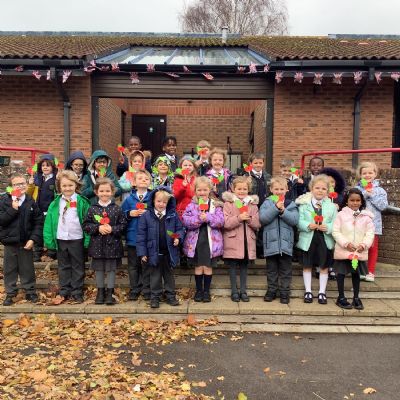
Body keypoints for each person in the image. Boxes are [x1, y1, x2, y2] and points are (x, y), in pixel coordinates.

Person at [43, 170, 91, 303]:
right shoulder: (55, 203)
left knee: (78, 266)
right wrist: (49, 241)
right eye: (64, 186)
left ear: (76, 185)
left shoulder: (82, 202)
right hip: (61, 238)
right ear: (59, 187)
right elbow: (48, 223)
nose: (67, 188)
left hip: (77, 238)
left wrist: (87, 240)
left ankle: (77, 291)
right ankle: (64, 290)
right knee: (63, 266)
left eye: (70, 185)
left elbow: (88, 222)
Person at [136, 187, 184, 308]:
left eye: (164, 202)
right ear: (153, 201)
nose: (161, 204)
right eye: (159, 201)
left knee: (169, 275)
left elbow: (179, 229)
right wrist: (142, 253)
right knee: (155, 276)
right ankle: (155, 297)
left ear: (168, 203)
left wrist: (178, 238)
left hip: (169, 251)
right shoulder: (146, 216)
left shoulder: (172, 215)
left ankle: (170, 295)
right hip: (153, 252)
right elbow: (141, 236)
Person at [0, 173, 43, 306]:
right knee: (10, 269)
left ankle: (30, 291)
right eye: (16, 184)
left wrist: (33, 239)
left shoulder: (31, 201)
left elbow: (38, 222)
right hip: (10, 242)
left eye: (23, 183)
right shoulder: (5, 201)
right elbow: (2, 221)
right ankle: (10, 292)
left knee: (27, 268)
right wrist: (13, 209)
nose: (20, 186)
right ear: (11, 187)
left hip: (26, 241)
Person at [83, 178, 127, 305]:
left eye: (107, 191)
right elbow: (86, 225)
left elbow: (123, 225)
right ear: (96, 192)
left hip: (113, 244)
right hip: (97, 245)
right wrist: (98, 228)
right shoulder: (92, 209)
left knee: (111, 269)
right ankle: (100, 292)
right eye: (101, 191)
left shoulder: (117, 209)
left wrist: (112, 229)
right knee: (99, 269)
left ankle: (109, 293)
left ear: (112, 192)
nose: (104, 193)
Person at [296, 174, 337, 304]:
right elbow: (298, 221)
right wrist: (307, 225)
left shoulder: (331, 206)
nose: (320, 191)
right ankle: (308, 291)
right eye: (317, 188)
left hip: (324, 239)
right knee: (307, 265)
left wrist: (328, 227)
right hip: (309, 238)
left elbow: (336, 223)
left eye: (324, 189)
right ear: (311, 189)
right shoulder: (304, 205)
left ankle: (322, 292)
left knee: (324, 266)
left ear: (328, 191)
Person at [182, 176, 224, 302]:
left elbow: (221, 221)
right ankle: (199, 290)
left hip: (210, 241)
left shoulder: (215, 205)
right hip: (196, 241)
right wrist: (199, 218)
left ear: (209, 190)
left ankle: (206, 291)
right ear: (195, 191)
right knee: (199, 266)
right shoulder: (191, 205)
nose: (202, 192)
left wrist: (209, 217)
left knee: (208, 266)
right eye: (199, 190)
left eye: (205, 190)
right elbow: (186, 220)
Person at [332, 188, 375, 310]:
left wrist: (364, 245)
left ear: (361, 202)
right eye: (352, 200)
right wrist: (345, 243)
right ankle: (341, 297)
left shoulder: (366, 217)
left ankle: (356, 297)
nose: (355, 203)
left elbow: (370, 233)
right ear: (347, 201)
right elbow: (335, 231)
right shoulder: (340, 215)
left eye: (358, 200)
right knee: (341, 273)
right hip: (344, 250)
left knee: (356, 273)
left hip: (358, 251)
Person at [259, 177, 299, 304]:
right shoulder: (267, 203)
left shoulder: (290, 204)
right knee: (271, 270)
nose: (279, 191)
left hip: (286, 243)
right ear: (271, 190)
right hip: (270, 243)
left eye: (282, 189)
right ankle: (271, 290)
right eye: (276, 189)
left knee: (286, 270)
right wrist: (275, 208)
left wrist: (283, 211)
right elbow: (263, 219)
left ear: (287, 190)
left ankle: (284, 292)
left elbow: (294, 220)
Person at [222, 176, 260, 302]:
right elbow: (225, 223)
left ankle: (243, 291)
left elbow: (257, 224)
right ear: (233, 189)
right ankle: (234, 291)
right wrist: (238, 218)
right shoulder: (228, 204)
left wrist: (249, 219)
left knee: (244, 267)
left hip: (247, 241)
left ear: (248, 190)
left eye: (244, 189)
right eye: (239, 189)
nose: (242, 191)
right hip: (233, 240)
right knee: (232, 267)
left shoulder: (252, 205)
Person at [121, 169, 152, 301]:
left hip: (148, 237)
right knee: (133, 265)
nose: (143, 180)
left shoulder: (153, 198)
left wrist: (149, 213)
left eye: (146, 179)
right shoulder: (129, 199)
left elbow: (159, 212)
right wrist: (129, 213)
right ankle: (135, 288)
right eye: (140, 178)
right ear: (134, 182)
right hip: (133, 237)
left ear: (150, 182)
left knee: (146, 264)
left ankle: (146, 289)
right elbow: (121, 215)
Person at [355, 161, 388, 282]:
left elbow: (383, 206)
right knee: (359, 246)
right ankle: (359, 271)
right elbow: (353, 203)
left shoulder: (380, 190)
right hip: (359, 223)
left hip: (374, 224)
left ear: (375, 174)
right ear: (360, 175)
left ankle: (370, 272)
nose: (367, 175)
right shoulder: (357, 189)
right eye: (364, 173)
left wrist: (372, 195)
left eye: (370, 173)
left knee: (372, 247)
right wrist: (364, 194)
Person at [27, 153, 58, 262]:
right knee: (38, 231)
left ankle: (51, 252)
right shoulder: (37, 178)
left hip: (50, 211)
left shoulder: (56, 179)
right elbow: (29, 194)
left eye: (48, 165)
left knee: (50, 232)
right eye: (43, 165)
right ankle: (37, 252)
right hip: (38, 210)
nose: (45, 167)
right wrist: (30, 185)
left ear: (53, 167)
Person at [320, 167, 347, 280]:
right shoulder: (320, 196)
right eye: (327, 182)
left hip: (336, 226)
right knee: (322, 247)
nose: (330, 184)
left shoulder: (340, 197)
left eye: (332, 182)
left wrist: (338, 207)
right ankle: (320, 266)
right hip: (323, 225)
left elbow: (345, 209)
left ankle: (332, 267)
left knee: (333, 247)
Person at [244, 152, 271, 258]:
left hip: (264, 206)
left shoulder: (268, 176)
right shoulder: (246, 176)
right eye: (255, 163)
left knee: (263, 228)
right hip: (252, 206)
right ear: (251, 164)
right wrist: (247, 182)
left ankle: (261, 250)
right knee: (253, 227)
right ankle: (252, 250)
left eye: (260, 163)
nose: (258, 165)